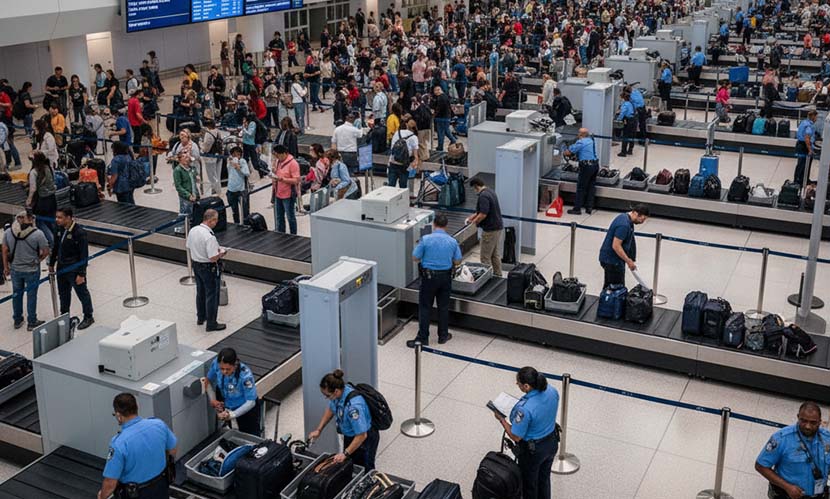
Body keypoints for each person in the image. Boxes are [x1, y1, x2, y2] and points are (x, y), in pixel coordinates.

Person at [493, 366, 560, 499]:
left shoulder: (524, 409)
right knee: (544, 479)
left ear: (527, 386)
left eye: (518, 382)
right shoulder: (552, 391)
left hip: (533, 452)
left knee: (529, 485)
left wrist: (501, 419)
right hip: (552, 442)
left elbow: (516, 436)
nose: (516, 384)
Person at [99, 393, 177, 499]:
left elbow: (110, 483)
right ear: (137, 408)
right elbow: (173, 450)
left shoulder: (119, 444)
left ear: (118, 415)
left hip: (136, 494)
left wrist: (102, 496)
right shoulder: (158, 424)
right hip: (161, 486)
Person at [407, 213, 461, 348]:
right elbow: (458, 260)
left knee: (425, 307)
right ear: (446, 226)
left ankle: (423, 338)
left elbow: (415, 257)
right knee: (443, 307)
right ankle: (443, 336)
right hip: (445, 278)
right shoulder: (452, 241)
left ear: (434, 224)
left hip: (428, 278)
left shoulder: (425, 239)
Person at [757, 401, 830, 499]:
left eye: (813, 422)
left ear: (820, 421)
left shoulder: (827, 439)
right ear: (798, 417)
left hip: (818, 494)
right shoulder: (781, 438)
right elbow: (761, 466)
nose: (807, 426)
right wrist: (787, 487)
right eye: (803, 421)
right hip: (787, 494)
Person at [308, 369, 379, 470]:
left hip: (364, 439)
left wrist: (345, 453)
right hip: (350, 434)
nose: (326, 398)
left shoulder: (354, 407)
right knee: (350, 463)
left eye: (327, 395)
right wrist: (319, 430)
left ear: (336, 391)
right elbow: (331, 409)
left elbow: (362, 435)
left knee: (365, 468)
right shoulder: (339, 394)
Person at [2, 210, 49, 331]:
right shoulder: (38, 234)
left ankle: (17, 320)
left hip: (15, 269)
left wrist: (6, 267)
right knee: (31, 296)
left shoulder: (8, 232)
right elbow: (46, 251)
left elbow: (5, 250)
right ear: (30, 219)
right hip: (32, 269)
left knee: (16, 294)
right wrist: (38, 260)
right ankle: (32, 321)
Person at [48, 207, 94, 330]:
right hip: (61, 267)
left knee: (82, 293)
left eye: (60, 217)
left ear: (68, 218)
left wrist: (81, 273)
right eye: (56, 217)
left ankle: (88, 316)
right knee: (63, 294)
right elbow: (56, 246)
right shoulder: (59, 229)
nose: (57, 220)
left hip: (74, 268)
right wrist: (51, 263)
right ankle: (64, 316)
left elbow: (84, 254)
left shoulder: (79, 232)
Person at [203, 348, 261, 436]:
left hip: (245, 408)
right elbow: (207, 380)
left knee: (250, 437)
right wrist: (213, 400)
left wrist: (232, 415)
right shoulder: (216, 364)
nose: (224, 372)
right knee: (230, 434)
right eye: (221, 368)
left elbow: (251, 402)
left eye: (228, 369)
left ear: (235, 365)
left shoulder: (245, 376)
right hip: (226, 402)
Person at [186, 209, 227, 331]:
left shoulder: (193, 230)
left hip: (196, 265)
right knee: (211, 295)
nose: (217, 222)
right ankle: (211, 323)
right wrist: (222, 253)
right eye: (216, 220)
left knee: (200, 292)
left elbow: (188, 246)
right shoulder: (209, 237)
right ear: (211, 220)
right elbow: (213, 257)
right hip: (209, 268)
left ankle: (201, 317)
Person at [598, 204, 650, 288]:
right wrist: (628, 261)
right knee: (617, 289)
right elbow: (616, 246)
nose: (642, 222)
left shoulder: (624, 217)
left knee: (609, 286)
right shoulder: (624, 225)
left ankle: (605, 300)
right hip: (612, 261)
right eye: (643, 219)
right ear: (636, 213)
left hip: (610, 259)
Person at [466, 177, 504, 277]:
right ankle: (498, 274)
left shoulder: (483, 196)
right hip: (497, 228)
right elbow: (481, 211)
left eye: (474, 189)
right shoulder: (490, 191)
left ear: (476, 186)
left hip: (490, 230)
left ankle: (487, 279)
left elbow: (483, 214)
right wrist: (472, 217)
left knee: (485, 257)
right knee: (495, 254)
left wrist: (473, 222)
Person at [564, 128, 599, 215]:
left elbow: (568, 152)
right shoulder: (591, 140)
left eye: (578, 133)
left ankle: (577, 209)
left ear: (581, 135)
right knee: (591, 186)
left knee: (581, 188)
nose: (577, 135)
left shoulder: (581, 142)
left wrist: (564, 151)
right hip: (595, 165)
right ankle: (589, 207)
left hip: (586, 166)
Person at [27, 151, 57, 246]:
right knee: (51, 221)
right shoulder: (48, 167)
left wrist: (29, 200)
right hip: (52, 198)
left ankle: (52, 243)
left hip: (42, 200)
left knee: (40, 222)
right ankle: (58, 241)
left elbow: (33, 189)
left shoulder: (34, 172)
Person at [272, 144, 300, 234]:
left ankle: (293, 234)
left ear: (283, 153)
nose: (276, 157)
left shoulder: (293, 164)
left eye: (277, 155)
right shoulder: (278, 161)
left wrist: (282, 179)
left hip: (288, 195)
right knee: (279, 217)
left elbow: (296, 180)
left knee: (290, 216)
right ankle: (281, 234)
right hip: (278, 193)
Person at [388, 118, 419, 188]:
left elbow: (392, 148)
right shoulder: (414, 137)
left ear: (406, 125)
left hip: (393, 162)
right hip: (404, 165)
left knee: (390, 187)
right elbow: (415, 156)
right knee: (403, 188)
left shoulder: (397, 133)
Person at [226, 146, 250, 224]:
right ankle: (236, 224)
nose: (236, 156)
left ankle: (246, 225)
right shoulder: (229, 162)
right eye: (234, 154)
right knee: (234, 210)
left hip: (241, 190)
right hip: (231, 189)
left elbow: (247, 173)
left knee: (245, 210)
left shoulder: (242, 161)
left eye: (238, 154)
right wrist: (231, 161)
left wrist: (239, 168)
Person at [173, 151, 200, 219]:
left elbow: (195, 177)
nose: (186, 159)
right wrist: (188, 195)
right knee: (184, 215)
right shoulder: (177, 170)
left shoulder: (192, 168)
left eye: (188, 157)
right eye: (184, 157)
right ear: (179, 159)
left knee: (194, 214)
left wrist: (197, 176)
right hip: (186, 198)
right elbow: (178, 187)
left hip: (195, 194)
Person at [200, 119, 223, 196]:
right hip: (219, 156)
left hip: (210, 158)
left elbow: (206, 149)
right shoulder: (218, 131)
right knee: (217, 175)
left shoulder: (208, 134)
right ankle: (215, 190)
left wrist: (200, 144)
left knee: (212, 176)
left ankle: (218, 192)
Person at [795, 110, 818, 186]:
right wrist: (810, 149)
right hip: (804, 146)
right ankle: (802, 181)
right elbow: (807, 138)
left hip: (800, 144)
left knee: (800, 164)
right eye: (816, 117)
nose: (816, 119)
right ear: (813, 116)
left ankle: (799, 179)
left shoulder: (803, 122)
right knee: (804, 164)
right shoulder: (809, 125)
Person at [432, 85, 456, 151]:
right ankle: (452, 140)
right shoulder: (445, 96)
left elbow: (439, 108)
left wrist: (434, 115)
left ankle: (441, 146)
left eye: (435, 91)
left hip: (441, 118)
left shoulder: (440, 98)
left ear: (438, 90)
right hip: (447, 117)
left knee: (441, 133)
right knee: (446, 131)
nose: (434, 92)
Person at [617, 92, 636, 158]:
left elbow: (622, 113)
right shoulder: (631, 103)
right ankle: (630, 150)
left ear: (623, 98)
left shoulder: (625, 104)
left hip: (628, 121)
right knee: (632, 135)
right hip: (634, 120)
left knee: (625, 136)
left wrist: (618, 119)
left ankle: (623, 152)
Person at [127, 88, 146, 153]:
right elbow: (138, 114)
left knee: (135, 136)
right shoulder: (136, 102)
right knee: (138, 137)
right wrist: (144, 121)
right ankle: (137, 151)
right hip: (136, 123)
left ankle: (135, 149)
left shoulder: (131, 100)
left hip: (131, 121)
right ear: (139, 94)